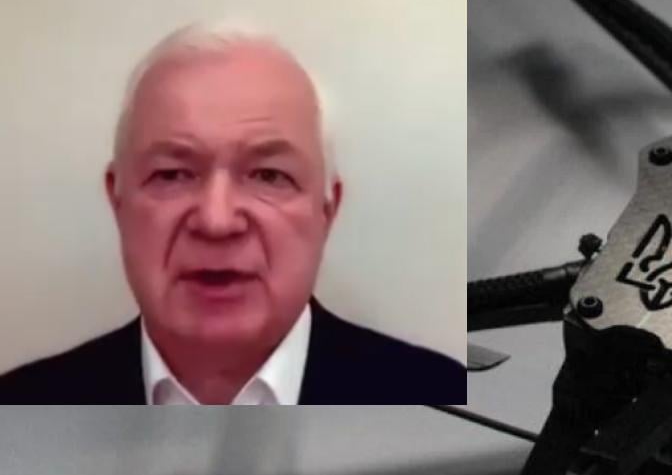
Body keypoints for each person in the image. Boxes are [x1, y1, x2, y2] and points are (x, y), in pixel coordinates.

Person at [0, 23, 463, 405]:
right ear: (117, 201)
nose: (217, 222)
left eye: (268, 175)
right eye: (172, 175)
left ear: (327, 210)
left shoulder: (439, 398)